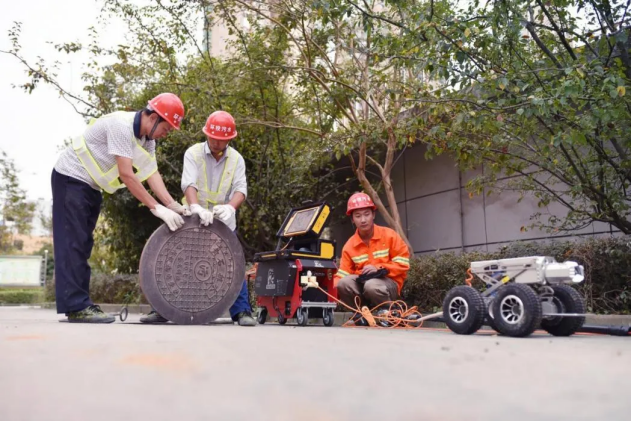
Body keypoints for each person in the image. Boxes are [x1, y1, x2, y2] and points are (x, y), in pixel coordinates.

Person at [52, 93, 190, 323]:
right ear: (153, 117)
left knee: (83, 244)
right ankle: (77, 306)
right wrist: (156, 208)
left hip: (91, 186)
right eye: (166, 128)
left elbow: (151, 173)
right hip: (71, 178)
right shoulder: (121, 126)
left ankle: (78, 305)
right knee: (73, 242)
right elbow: (127, 174)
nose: (166, 134)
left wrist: (173, 206)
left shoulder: (147, 140)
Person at [140, 110, 255, 326]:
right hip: (192, 218)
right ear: (206, 134)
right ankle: (163, 310)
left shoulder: (237, 159)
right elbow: (189, 183)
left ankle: (242, 311)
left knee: (231, 263)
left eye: (221, 139)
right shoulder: (193, 153)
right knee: (181, 262)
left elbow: (241, 189)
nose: (216, 143)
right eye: (212, 137)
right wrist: (195, 207)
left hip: (223, 221)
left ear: (229, 139)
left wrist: (230, 208)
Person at [334, 192, 410, 324]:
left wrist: (379, 268)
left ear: (373, 215)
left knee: (371, 285)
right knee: (343, 283)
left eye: (366, 214)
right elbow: (342, 275)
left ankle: (389, 312)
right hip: (363, 286)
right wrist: (328, 292)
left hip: (388, 284)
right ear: (352, 219)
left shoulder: (390, 235)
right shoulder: (349, 246)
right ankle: (361, 315)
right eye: (358, 216)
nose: (363, 220)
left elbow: (403, 264)